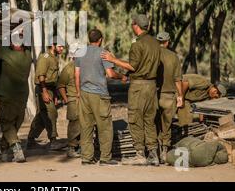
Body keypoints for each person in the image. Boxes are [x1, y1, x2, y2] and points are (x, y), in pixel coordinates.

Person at [101, 14, 161, 166]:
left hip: (139, 87)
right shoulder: (155, 42)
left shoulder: (137, 44)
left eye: (132, 23)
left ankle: (140, 154)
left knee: (135, 119)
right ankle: (154, 154)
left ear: (136, 25)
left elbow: (133, 65)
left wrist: (113, 59)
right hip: (152, 86)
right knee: (150, 120)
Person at [76, 29, 127, 165]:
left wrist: (78, 92)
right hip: (99, 95)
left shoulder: (80, 52)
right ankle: (105, 158)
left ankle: (86, 158)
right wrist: (122, 76)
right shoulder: (103, 53)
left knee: (86, 126)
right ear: (100, 39)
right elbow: (110, 74)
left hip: (84, 93)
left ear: (89, 39)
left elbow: (77, 73)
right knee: (104, 126)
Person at [0, 34, 32, 163]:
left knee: (6, 123)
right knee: (13, 125)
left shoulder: (8, 54)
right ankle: (2, 152)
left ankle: (17, 148)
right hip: (22, 96)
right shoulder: (28, 55)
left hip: (8, 95)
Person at [27, 40, 65, 151]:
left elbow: (54, 78)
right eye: (60, 46)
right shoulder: (45, 57)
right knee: (51, 113)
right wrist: (44, 92)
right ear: (52, 45)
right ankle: (53, 141)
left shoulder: (54, 58)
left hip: (50, 90)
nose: (62, 49)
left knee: (41, 116)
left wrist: (56, 95)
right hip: (43, 89)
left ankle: (30, 140)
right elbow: (41, 76)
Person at [155, 31, 183, 163]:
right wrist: (181, 95)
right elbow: (178, 80)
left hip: (153, 94)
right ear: (167, 42)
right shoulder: (174, 57)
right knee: (166, 125)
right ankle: (164, 152)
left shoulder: (152, 54)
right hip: (168, 95)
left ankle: (153, 151)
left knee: (153, 124)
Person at [57, 45, 80, 158]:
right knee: (74, 124)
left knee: (85, 124)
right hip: (73, 99)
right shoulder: (68, 69)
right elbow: (61, 86)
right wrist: (66, 99)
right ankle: (71, 148)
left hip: (84, 99)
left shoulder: (84, 66)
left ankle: (80, 146)